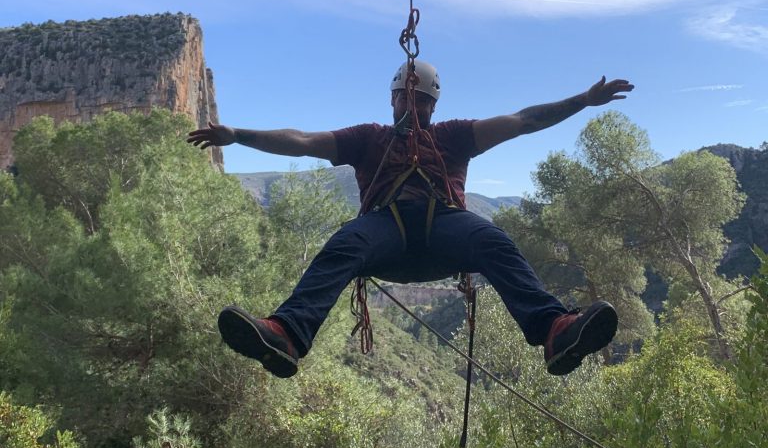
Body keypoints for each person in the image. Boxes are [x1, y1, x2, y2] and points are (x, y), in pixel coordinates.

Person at [187, 61, 634, 379]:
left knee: (494, 241)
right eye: (405, 95)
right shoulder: (368, 139)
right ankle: (285, 333)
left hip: (447, 227)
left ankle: (554, 330)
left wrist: (582, 100)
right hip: (386, 231)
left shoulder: (454, 136)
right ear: (393, 97)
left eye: (419, 98)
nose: (410, 102)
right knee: (345, 245)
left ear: (431, 103)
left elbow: (521, 120)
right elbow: (303, 140)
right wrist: (238, 136)